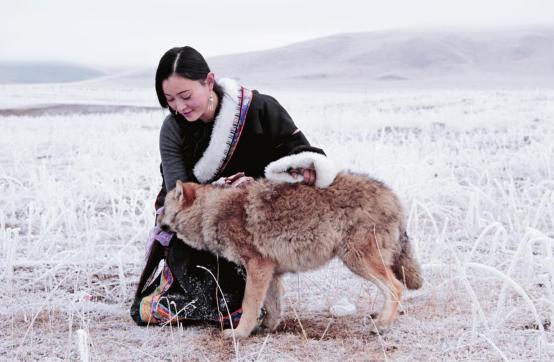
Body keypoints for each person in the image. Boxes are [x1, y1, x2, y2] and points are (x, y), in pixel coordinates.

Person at [131, 46, 333, 328]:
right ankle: (224, 302)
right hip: (201, 226)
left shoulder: (261, 110)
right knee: (213, 293)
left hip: (256, 222)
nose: (179, 107)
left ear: (209, 81)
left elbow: (300, 154)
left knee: (242, 280)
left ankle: (243, 301)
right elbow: (179, 193)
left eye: (186, 96)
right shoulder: (173, 130)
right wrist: (223, 191)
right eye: (170, 100)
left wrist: (290, 177)